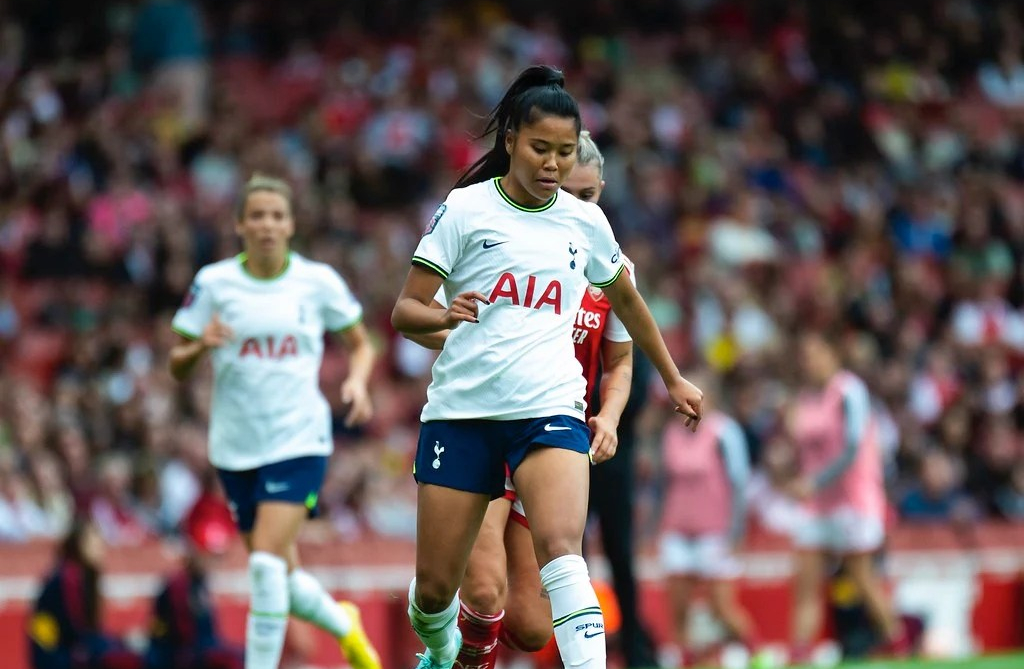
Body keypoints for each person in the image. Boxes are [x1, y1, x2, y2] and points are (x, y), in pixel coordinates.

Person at [391, 65, 703, 669]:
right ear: (510, 140)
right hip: (465, 413)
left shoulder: (585, 223)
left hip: (551, 409)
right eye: (541, 148)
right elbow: (405, 311)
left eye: (564, 152)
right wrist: (443, 316)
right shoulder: (465, 209)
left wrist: (673, 377)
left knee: (565, 557)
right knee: (435, 593)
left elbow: (629, 302)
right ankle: (441, 648)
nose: (553, 164)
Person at [402, 131, 639, 669]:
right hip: (486, 417)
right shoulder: (495, 234)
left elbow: (620, 362)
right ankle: (445, 621)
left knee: (531, 628)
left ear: (601, 191)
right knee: (485, 594)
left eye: (586, 195)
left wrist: (610, 415)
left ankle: (443, 596)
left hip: (552, 433)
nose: (571, 203)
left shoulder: (609, 270)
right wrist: (471, 338)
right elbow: (422, 315)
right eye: (566, 191)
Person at [168, 173, 381, 669]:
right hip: (235, 446)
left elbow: (361, 343)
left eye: (277, 216)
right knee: (279, 574)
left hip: (299, 439)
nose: (267, 224)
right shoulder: (214, 283)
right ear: (240, 224)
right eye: (257, 215)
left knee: (264, 563)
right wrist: (200, 346)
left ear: (290, 225)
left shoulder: (316, 282)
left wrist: (357, 381)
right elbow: (176, 363)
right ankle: (343, 623)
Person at [784, 331, 907, 663]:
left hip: (853, 499)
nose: (809, 363)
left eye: (815, 354)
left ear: (831, 354)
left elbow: (853, 445)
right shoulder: (805, 398)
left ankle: (896, 642)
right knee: (806, 580)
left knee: (861, 577)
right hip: (816, 505)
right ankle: (800, 652)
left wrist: (815, 481)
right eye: (804, 357)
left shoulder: (849, 390)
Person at [656, 377, 759, 666]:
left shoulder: (724, 432)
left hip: (715, 531)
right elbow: (663, 484)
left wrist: (737, 531)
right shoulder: (671, 433)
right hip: (677, 529)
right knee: (679, 605)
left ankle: (755, 652)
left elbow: (739, 483)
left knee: (721, 606)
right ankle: (687, 658)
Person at [27, 517, 144, 669]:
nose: (101, 548)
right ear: (80, 544)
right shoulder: (69, 577)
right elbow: (78, 631)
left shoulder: (73, 575)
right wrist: (122, 642)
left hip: (63, 653)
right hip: (56, 658)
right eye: (95, 542)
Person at [145, 490, 243, 669]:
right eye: (209, 556)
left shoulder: (200, 584)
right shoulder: (178, 587)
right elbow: (177, 641)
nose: (213, 563)